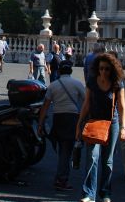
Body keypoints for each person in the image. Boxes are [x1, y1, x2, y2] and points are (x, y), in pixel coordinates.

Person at [76, 53, 125, 202]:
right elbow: (86, 104)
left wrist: (124, 127)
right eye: (101, 69)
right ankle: (88, 194)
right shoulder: (92, 81)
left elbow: (122, 107)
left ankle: (105, 193)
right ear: (97, 69)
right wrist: (79, 124)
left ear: (112, 69)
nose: (103, 72)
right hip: (94, 123)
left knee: (107, 160)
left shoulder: (117, 83)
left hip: (112, 124)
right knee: (92, 157)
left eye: (106, 69)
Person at [38, 60, 85, 191]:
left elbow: (45, 106)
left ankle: (61, 176)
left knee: (62, 150)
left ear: (59, 71)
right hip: (72, 118)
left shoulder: (53, 85)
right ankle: (61, 179)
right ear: (70, 71)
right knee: (66, 150)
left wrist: (40, 124)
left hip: (58, 118)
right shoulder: (77, 84)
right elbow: (87, 101)